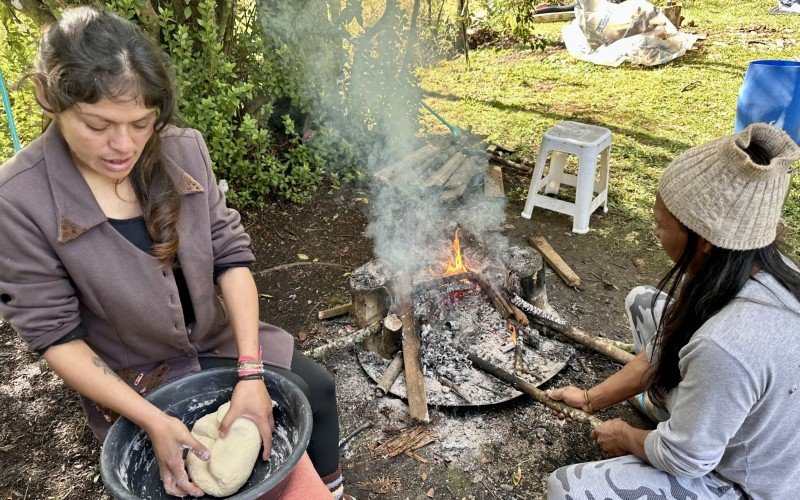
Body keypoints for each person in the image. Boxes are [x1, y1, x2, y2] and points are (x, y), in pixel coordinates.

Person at [0, 7, 349, 499]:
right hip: (136, 376)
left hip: (217, 338)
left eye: (141, 124)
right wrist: (151, 420)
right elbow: (56, 338)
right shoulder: (18, 200)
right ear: (46, 96)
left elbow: (232, 257)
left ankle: (332, 491)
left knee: (317, 390)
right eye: (98, 125)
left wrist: (250, 370)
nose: (123, 145)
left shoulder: (184, 151)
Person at [546, 123, 800, 499]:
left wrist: (629, 438)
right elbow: (667, 343)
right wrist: (589, 398)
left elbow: (687, 459)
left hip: (752, 480)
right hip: (739, 410)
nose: (655, 231)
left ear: (706, 243)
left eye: (661, 225)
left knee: (566, 488)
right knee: (644, 302)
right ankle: (678, 412)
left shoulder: (727, 344)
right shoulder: (745, 266)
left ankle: (679, 422)